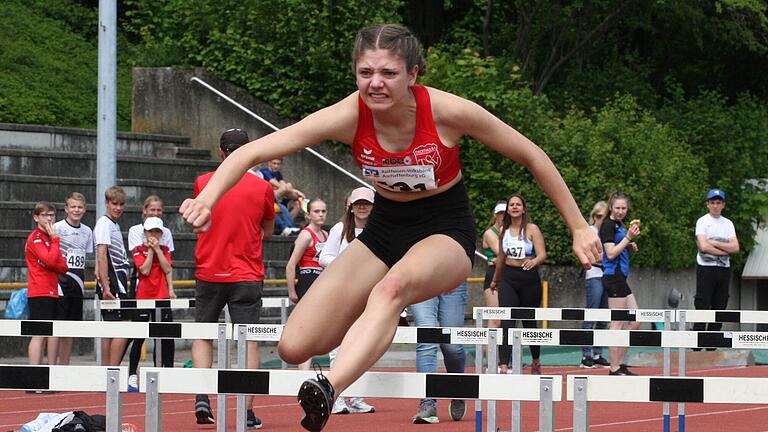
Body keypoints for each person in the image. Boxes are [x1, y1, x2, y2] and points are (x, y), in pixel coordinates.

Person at [180, 24, 601, 432]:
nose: (375, 83)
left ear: (413, 74)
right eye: (365, 73)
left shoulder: (447, 112)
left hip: (444, 230)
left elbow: (532, 155)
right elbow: (252, 151)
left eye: (388, 73)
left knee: (390, 289)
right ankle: (370, 325)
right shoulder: (349, 115)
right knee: (294, 346)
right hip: (384, 230)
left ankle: (329, 387)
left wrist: (579, 227)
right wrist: (206, 198)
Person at [191, 128, 275, 429]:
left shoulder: (203, 182)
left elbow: (198, 221)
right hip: (247, 272)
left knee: (203, 334)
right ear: (248, 152)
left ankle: (202, 395)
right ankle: (247, 410)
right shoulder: (262, 188)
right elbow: (267, 231)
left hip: (210, 269)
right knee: (248, 339)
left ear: (220, 152)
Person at [318, 187, 376, 416]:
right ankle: (336, 396)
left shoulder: (380, 230)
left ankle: (357, 396)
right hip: (341, 292)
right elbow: (324, 256)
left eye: (367, 204)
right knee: (338, 346)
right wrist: (347, 268)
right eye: (358, 203)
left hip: (368, 293)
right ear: (350, 206)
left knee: (362, 344)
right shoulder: (340, 229)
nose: (362, 207)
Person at [490, 194, 547, 375]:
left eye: (518, 205)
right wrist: (495, 280)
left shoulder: (532, 229)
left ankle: (536, 360)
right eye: (511, 205)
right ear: (507, 209)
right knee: (507, 320)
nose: (514, 207)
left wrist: (534, 261)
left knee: (529, 321)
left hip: (529, 278)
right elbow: (500, 258)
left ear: (523, 209)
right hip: (508, 277)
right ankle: (504, 365)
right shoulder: (503, 232)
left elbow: (542, 254)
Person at [127, 217, 176, 393]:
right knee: (139, 337)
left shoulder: (164, 249)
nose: (154, 235)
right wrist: (151, 252)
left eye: (157, 232)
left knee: (163, 336)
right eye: (150, 231)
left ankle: (163, 373)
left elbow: (167, 268)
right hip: (143, 296)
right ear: (145, 233)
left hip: (161, 296)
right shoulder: (138, 250)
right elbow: (145, 269)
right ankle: (132, 374)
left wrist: (157, 251)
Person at [411, 281, 469, 424]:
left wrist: (456, 274)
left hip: (453, 278)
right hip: (422, 278)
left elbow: (469, 257)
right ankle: (428, 403)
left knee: (452, 347)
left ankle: (458, 390)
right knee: (426, 340)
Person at [600, 191, 641, 375]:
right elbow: (609, 253)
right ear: (611, 207)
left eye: (624, 208)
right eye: (617, 208)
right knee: (617, 322)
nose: (621, 211)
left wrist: (629, 246)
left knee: (636, 321)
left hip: (621, 277)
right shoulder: (608, 225)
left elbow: (619, 246)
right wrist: (628, 239)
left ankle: (620, 363)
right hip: (612, 276)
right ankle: (614, 366)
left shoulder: (619, 225)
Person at [285, 198, 329, 370]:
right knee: (307, 327)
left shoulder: (325, 235)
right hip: (307, 280)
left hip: (321, 281)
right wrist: (292, 291)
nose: (320, 214)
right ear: (309, 214)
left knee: (318, 327)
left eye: (323, 211)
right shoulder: (305, 235)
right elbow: (291, 264)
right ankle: (303, 370)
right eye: (317, 211)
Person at [693, 188, 739, 348]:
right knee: (703, 302)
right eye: (712, 202)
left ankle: (712, 343)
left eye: (718, 203)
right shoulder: (702, 221)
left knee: (720, 304)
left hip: (723, 269)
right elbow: (704, 246)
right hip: (706, 267)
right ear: (708, 204)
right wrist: (724, 249)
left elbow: (735, 248)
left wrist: (716, 243)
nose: (715, 206)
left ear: (723, 205)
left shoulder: (728, 224)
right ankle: (697, 343)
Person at [53, 192, 94, 365]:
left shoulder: (87, 231)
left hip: (77, 283)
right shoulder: (57, 228)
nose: (76, 210)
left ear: (84, 210)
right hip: (60, 283)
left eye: (79, 207)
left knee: (70, 328)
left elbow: (85, 257)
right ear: (66, 209)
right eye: (73, 207)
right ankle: (52, 366)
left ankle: (64, 366)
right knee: (57, 327)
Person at [25, 201, 67, 367]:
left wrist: (51, 264)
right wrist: (55, 242)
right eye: (45, 215)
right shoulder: (36, 238)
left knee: (49, 332)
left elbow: (63, 266)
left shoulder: (51, 238)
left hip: (52, 291)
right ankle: (34, 375)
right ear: (36, 217)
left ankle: (43, 375)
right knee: (39, 334)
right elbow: (50, 259)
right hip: (39, 291)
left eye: (52, 215)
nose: (49, 218)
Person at [94, 186, 131, 366]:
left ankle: (107, 372)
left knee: (112, 329)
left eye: (121, 204)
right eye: (114, 204)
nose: (118, 208)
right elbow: (101, 253)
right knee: (123, 327)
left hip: (120, 283)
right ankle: (112, 370)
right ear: (106, 204)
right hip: (113, 285)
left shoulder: (114, 225)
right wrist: (106, 287)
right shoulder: (104, 223)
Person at [580, 201, 611, 368]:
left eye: (605, 217)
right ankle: (586, 355)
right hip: (594, 275)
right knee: (591, 313)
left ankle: (598, 353)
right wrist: (609, 257)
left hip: (607, 275)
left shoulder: (609, 231)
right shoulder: (590, 232)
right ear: (593, 217)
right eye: (598, 216)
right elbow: (592, 257)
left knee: (603, 317)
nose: (601, 220)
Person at [481, 201, 506, 329]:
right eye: (500, 213)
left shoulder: (514, 231)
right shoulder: (490, 233)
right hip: (493, 275)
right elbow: (502, 253)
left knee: (509, 318)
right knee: (496, 319)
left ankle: (507, 349)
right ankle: (489, 349)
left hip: (508, 275)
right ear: (495, 215)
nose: (503, 216)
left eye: (505, 213)